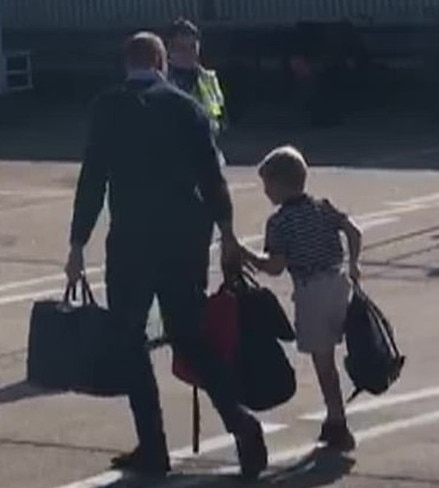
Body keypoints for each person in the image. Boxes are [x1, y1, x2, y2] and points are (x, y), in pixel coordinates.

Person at [63, 31, 267, 480]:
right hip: (183, 241)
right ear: (159, 61)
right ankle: (241, 422)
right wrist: (228, 232)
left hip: (132, 241)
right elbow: (212, 177)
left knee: (130, 341)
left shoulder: (108, 108)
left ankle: (153, 447)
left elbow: (92, 179)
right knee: (190, 335)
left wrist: (78, 244)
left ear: (126, 63)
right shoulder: (186, 107)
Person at [241, 145, 362, 450]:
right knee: (332, 353)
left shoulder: (279, 222)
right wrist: (354, 263)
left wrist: (245, 255)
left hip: (311, 290)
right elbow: (354, 231)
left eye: (268, 185)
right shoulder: (323, 207)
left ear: (280, 184)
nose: (266, 191)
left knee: (324, 362)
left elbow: (275, 266)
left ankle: (338, 421)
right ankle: (334, 418)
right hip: (338, 282)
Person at [167, 18, 228, 137]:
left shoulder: (208, 79)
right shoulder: (163, 81)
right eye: (182, 48)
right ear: (170, 49)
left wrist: (214, 126)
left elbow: (219, 115)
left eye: (193, 47)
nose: (189, 53)